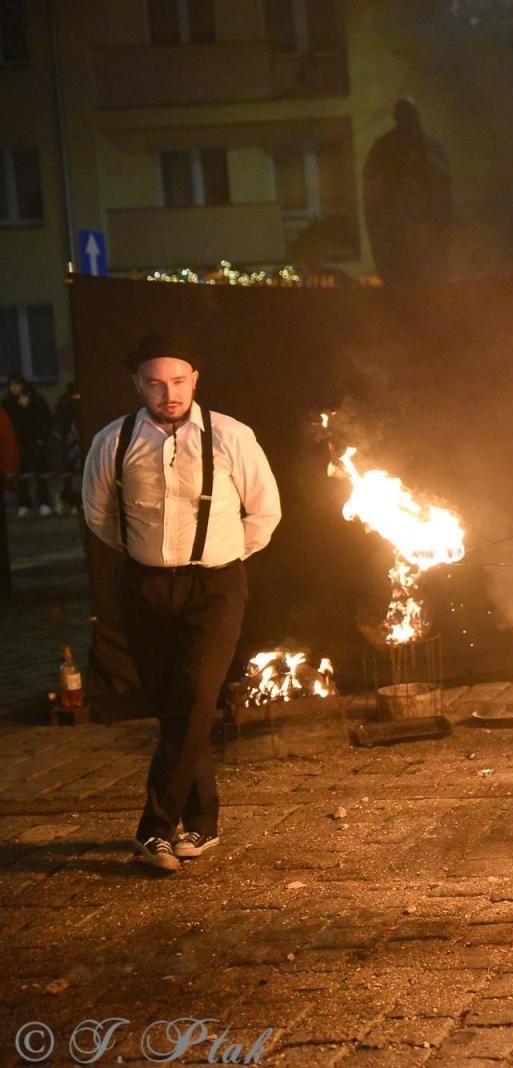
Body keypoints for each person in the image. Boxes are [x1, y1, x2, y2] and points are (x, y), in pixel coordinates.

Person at [82, 334, 282, 873]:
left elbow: (265, 512)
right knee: (173, 705)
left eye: (177, 380)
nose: (167, 392)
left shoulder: (231, 436)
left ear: (195, 379)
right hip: (144, 587)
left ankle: (154, 828)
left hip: (214, 587)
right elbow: (98, 514)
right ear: (138, 385)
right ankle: (204, 821)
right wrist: (146, 556)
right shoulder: (114, 440)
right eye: (154, 382)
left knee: (195, 697)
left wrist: (222, 556)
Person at [361, 98, 452, 287]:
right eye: (403, 116)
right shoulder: (384, 148)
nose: (407, 121)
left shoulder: (429, 147)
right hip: (395, 227)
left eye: (410, 116)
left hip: (425, 226)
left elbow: (442, 187)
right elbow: (374, 191)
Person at [5, 375, 54, 516]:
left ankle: (44, 503)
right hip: (18, 444)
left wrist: (41, 439)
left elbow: (45, 419)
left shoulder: (36, 400)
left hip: (35, 442)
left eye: (16, 384)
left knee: (40, 474)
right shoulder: (8, 403)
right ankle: (24, 504)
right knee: (21, 476)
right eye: (11, 385)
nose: (14, 388)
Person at [53, 380, 83, 515]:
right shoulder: (67, 406)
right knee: (71, 477)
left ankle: (74, 503)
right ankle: (71, 502)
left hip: (73, 447)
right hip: (70, 447)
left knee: (75, 476)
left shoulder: (65, 404)